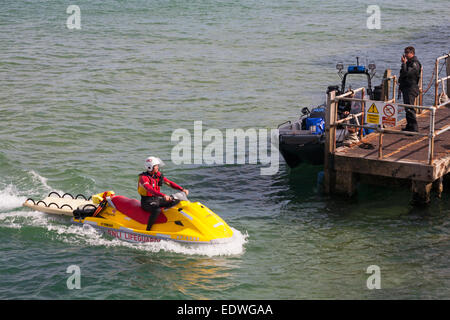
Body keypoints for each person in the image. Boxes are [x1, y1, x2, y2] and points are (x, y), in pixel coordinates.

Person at [138, 156, 189, 231]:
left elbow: (169, 183)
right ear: (150, 167)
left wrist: (182, 189)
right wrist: (163, 195)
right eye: (156, 166)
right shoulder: (143, 178)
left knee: (175, 201)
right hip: (147, 202)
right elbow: (150, 189)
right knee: (157, 210)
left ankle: (171, 222)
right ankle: (148, 229)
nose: (158, 167)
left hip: (156, 198)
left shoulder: (157, 175)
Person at [399, 46, 422, 132]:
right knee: (407, 108)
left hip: (411, 88)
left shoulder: (414, 63)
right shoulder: (409, 62)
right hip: (406, 87)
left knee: (410, 108)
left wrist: (404, 63)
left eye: (407, 53)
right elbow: (402, 74)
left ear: (412, 53)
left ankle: (414, 128)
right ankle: (409, 126)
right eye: (405, 53)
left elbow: (406, 73)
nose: (405, 55)